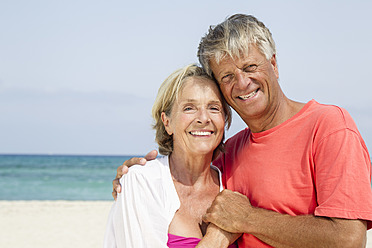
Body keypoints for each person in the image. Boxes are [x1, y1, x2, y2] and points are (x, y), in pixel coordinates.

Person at [113, 14, 372, 247]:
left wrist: (248, 219)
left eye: (250, 67)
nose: (242, 83)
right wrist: (135, 180)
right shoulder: (229, 152)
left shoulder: (329, 127)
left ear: (274, 64)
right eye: (227, 76)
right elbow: (181, 176)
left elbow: (348, 239)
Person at [104, 64, 238, 247]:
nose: (204, 118)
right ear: (167, 122)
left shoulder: (234, 186)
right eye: (189, 108)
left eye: (214, 108)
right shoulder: (141, 182)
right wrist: (217, 239)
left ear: (224, 120)